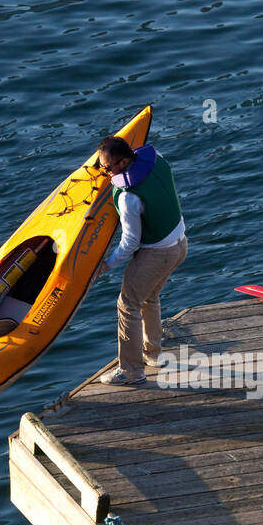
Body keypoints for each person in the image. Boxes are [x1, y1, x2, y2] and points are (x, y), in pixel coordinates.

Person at [94, 134, 188, 386]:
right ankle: (153, 354)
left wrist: (107, 264)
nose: (104, 173)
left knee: (128, 305)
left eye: (107, 168)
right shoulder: (158, 159)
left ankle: (131, 371)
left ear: (123, 163)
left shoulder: (128, 198)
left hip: (158, 253)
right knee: (149, 297)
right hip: (180, 243)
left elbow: (130, 242)